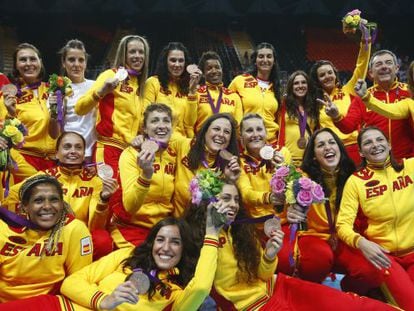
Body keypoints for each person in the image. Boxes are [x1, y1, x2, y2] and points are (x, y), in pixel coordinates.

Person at [185, 174, 396, 310]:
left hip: (278, 286)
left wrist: (268, 256)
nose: (233, 205)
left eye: (235, 199)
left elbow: (262, 274)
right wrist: (212, 232)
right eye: (224, 198)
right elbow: (201, 288)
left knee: (351, 305)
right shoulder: (195, 238)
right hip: (254, 307)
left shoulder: (239, 229)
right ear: (207, 201)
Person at [61, 214, 223, 311]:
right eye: (160, 240)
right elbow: (71, 283)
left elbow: (201, 287)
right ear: (152, 242)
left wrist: (212, 233)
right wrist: (104, 301)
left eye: (175, 242)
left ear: (184, 248)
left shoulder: (177, 294)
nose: (165, 248)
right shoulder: (129, 255)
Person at [3, 131, 118, 259]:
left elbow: (95, 226)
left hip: (79, 236)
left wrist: (103, 199)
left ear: (84, 154)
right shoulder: (44, 177)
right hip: (48, 234)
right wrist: (23, 219)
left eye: (78, 147)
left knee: (102, 240)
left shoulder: (95, 182)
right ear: (57, 153)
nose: (73, 151)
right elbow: (12, 195)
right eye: (67, 147)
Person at [336, 126, 414, 310]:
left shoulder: (410, 167)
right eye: (368, 142)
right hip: (385, 258)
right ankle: (363, 286)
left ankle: (377, 292)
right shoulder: (356, 181)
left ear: (389, 145)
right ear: (361, 152)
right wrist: (362, 243)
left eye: (379, 140)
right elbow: (342, 225)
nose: (375, 145)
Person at [0, 174, 92, 307]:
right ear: (24, 207)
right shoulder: (4, 230)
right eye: (38, 201)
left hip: (51, 302)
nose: (47, 206)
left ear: (62, 203)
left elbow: (78, 279)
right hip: (7, 303)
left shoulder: (74, 229)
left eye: (54, 200)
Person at [285, 128, 359, 282]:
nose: (327, 147)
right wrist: (290, 210)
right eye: (320, 145)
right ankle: (310, 294)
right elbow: (286, 206)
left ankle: (350, 291)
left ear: (340, 148)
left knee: (368, 269)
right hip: (314, 236)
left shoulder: (353, 176)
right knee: (319, 259)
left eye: (332, 142)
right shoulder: (301, 178)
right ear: (313, 156)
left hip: (344, 236)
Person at [75, 35, 150, 174]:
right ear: (123, 54)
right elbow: (80, 108)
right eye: (132, 51)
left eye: (141, 52)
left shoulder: (142, 85)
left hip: (130, 152)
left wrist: (142, 136)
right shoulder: (110, 75)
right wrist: (101, 91)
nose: (137, 56)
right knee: (112, 195)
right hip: (109, 148)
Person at [110, 104, 178, 248]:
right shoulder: (131, 154)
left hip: (163, 229)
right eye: (155, 121)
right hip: (131, 228)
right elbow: (130, 206)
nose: (161, 126)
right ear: (145, 129)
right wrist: (146, 174)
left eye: (166, 121)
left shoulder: (174, 153)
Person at [328, 50, 414, 160]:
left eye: (388, 62)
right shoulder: (362, 97)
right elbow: (348, 127)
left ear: (397, 68)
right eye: (378, 64)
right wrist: (336, 116)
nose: (384, 67)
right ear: (371, 73)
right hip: (377, 161)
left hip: (409, 160)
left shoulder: (409, 92)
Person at [237, 113, 292, 274]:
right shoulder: (238, 161)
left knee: (286, 261)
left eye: (259, 129)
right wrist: (268, 197)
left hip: (282, 223)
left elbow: (294, 186)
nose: (255, 134)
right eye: (249, 131)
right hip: (252, 227)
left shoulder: (282, 153)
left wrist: (282, 169)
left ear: (266, 133)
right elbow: (245, 193)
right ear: (241, 138)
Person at [1, 43, 60, 182]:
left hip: (54, 163)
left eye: (32, 59)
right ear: (16, 66)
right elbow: (3, 139)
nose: (28, 63)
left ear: (40, 62)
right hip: (24, 163)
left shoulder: (54, 90)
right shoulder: (8, 96)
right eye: (23, 60)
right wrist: (11, 113)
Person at [309, 33, 371, 164]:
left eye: (330, 72)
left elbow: (362, 65)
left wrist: (366, 40)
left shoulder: (348, 90)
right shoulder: (314, 100)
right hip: (331, 151)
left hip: (354, 147)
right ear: (317, 80)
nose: (327, 76)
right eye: (322, 75)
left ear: (335, 74)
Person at [173, 113, 241, 218]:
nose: (221, 134)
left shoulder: (231, 166)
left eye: (227, 132)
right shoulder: (183, 145)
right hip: (178, 225)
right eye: (216, 129)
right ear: (205, 130)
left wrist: (230, 181)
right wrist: (141, 139)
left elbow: (227, 210)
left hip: (208, 227)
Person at [144, 42, 201, 139]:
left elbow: (190, 124)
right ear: (165, 62)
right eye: (173, 60)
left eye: (181, 60)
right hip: (158, 140)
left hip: (182, 142)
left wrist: (192, 92)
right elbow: (144, 116)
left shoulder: (192, 89)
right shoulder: (153, 82)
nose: (177, 64)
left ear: (186, 63)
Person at [229, 42, 281, 144]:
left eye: (269, 56)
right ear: (255, 61)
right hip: (246, 141)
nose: (265, 60)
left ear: (274, 61)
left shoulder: (277, 88)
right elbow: (227, 106)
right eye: (261, 56)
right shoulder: (240, 81)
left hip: (270, 142)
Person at [184, 51, 243, 136]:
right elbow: (189, 125)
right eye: (209, 68)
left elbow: (238, 128)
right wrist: (194, 145)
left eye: (217, 67)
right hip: (202, 145)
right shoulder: (196, 94)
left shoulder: (233, 96)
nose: (214, 71)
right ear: (203, 73)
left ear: (222, 70)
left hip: (225, 145)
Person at [59, 39, 96, 163]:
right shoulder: (58, 90)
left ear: (85, 63)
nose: (76, 64)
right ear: (63, 63)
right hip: (70, 155)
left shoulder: (95, 86)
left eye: (81, 60)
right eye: (71, 59)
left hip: (93, 153)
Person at [277, 70, 319, 166]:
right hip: (288, 159)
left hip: (309, 160)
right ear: (291, 87)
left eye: (303, 82)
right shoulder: (283, 105)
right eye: (296, 83)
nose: (300, 86)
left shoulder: (313, 107)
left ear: (308, 86)